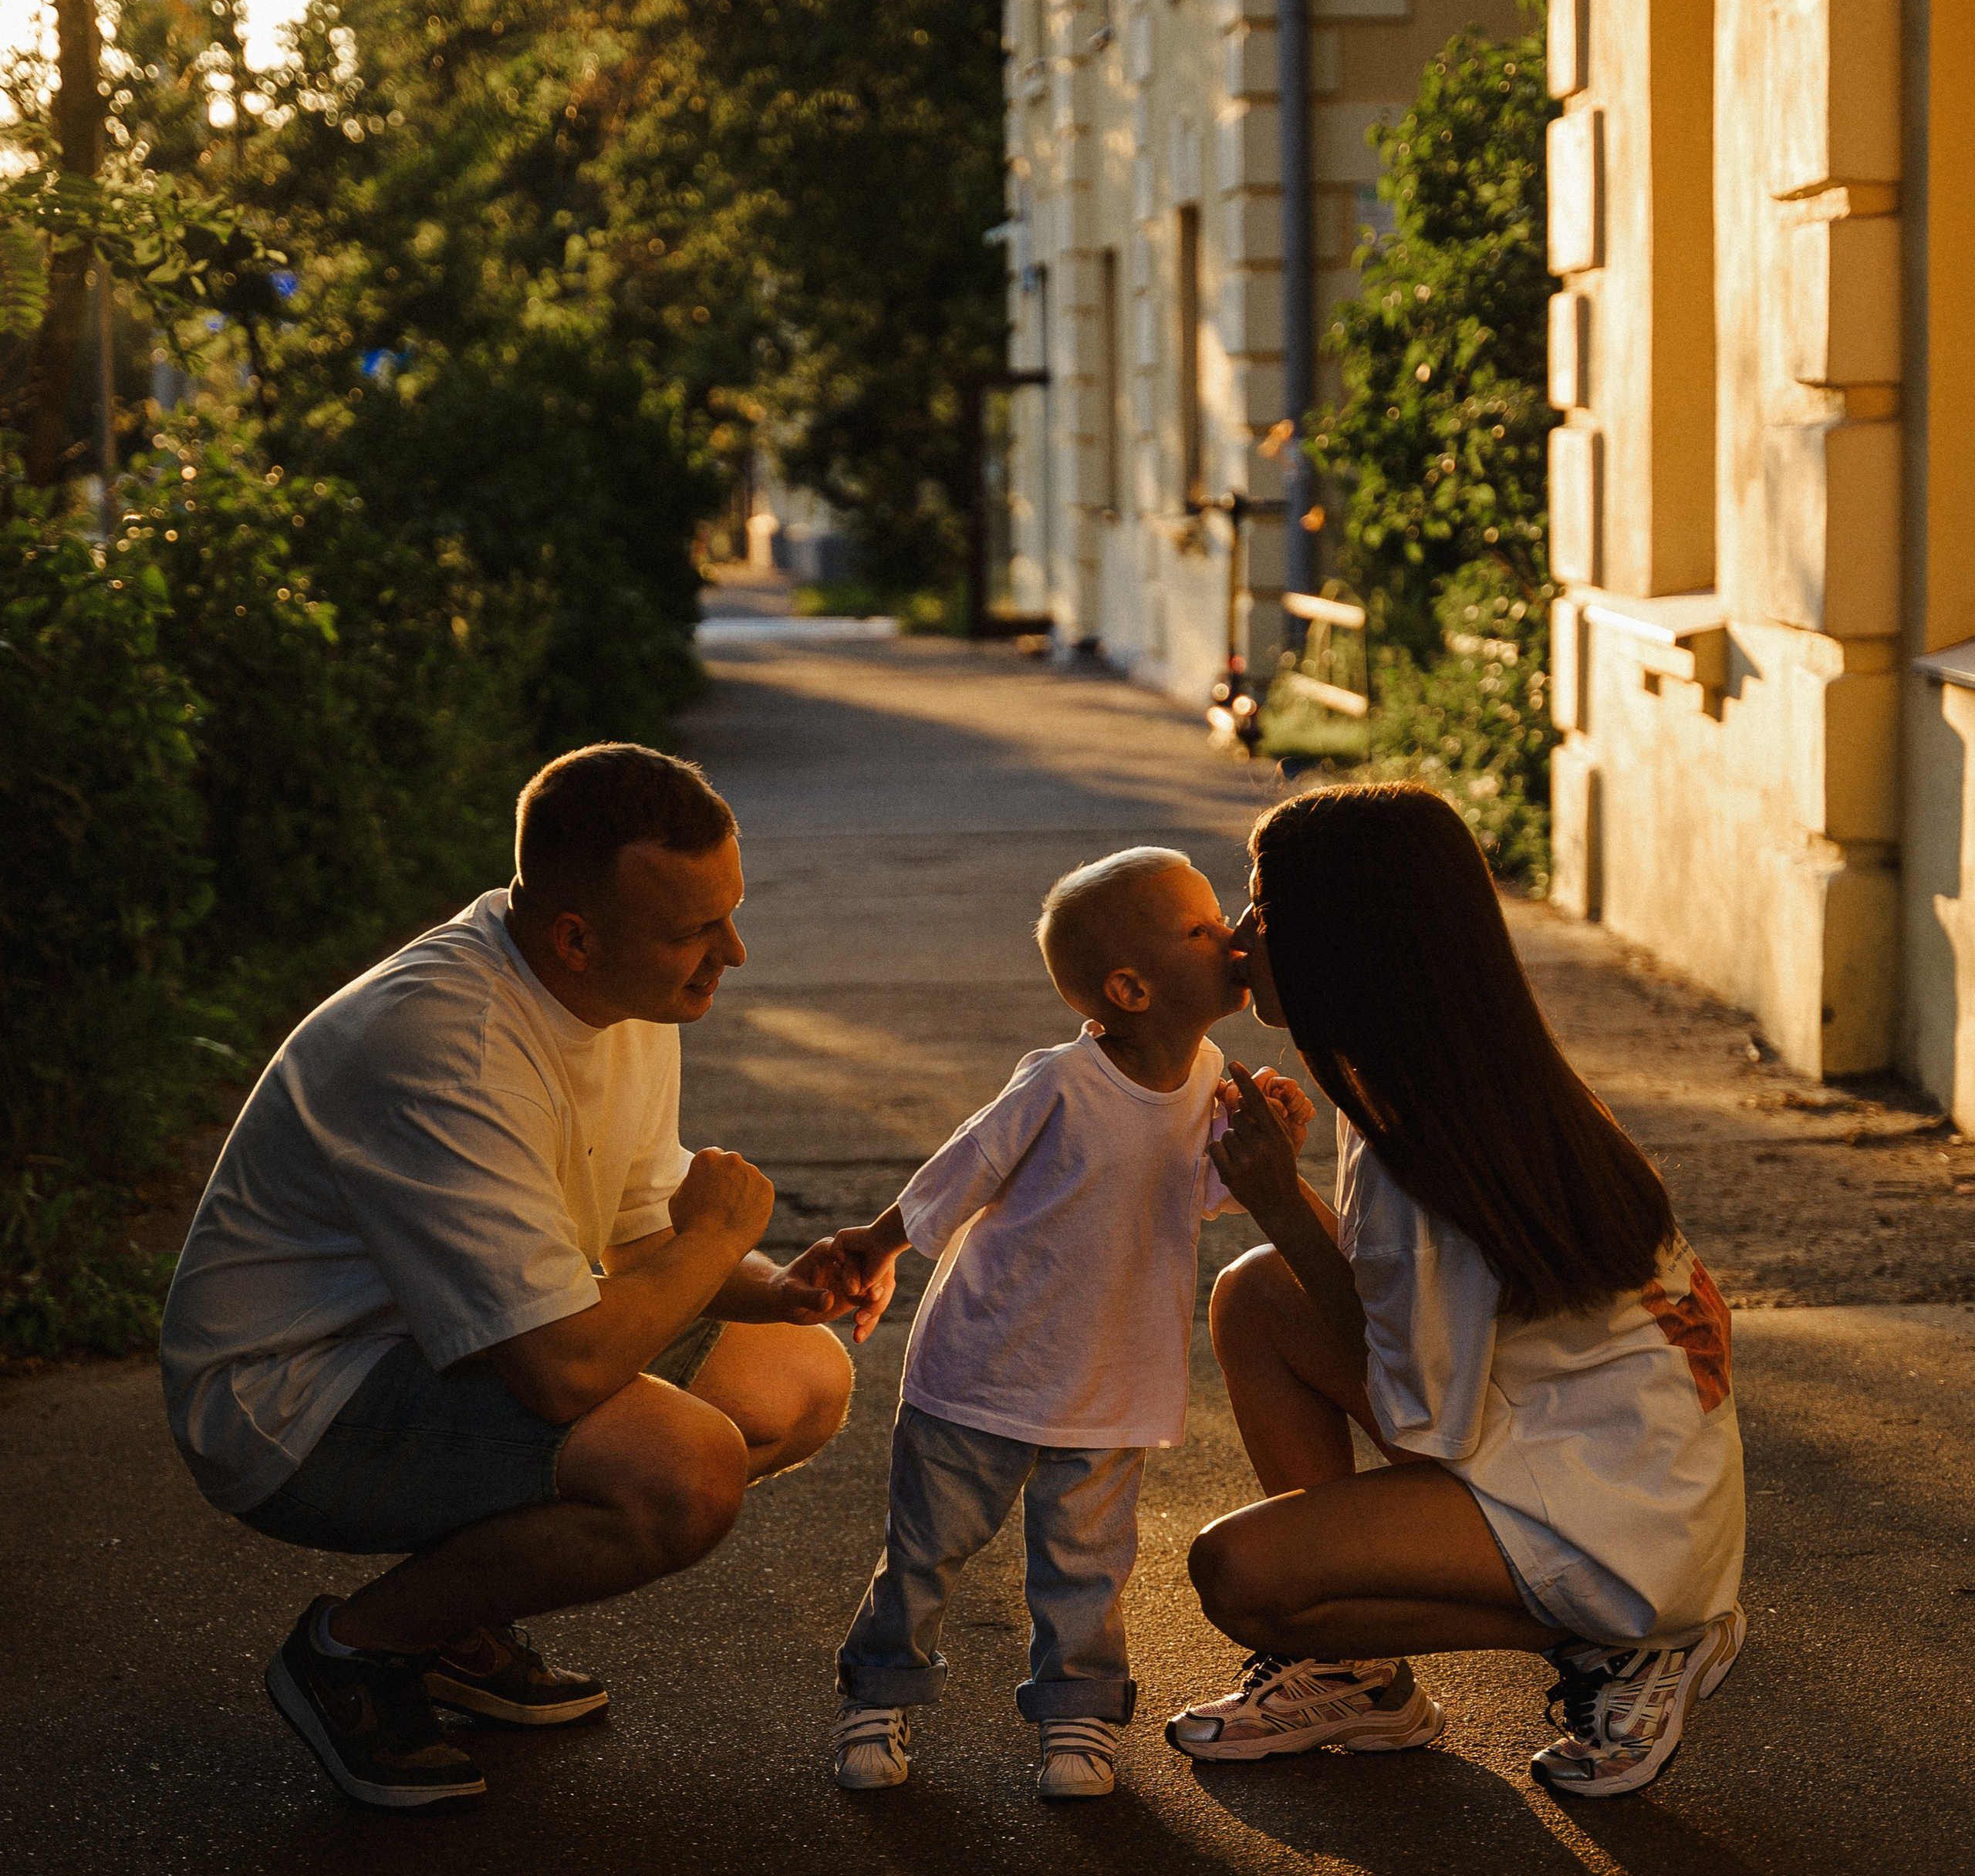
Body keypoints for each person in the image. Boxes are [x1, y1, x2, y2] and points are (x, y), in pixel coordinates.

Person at [160, 742, 858, 1812]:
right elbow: (563, 1370)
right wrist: (717, 1237)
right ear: (576, 937)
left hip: (447, 1347)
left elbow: (641, 1239)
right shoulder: (452, 1042)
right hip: (293, 1400)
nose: (733, 951)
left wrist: (781, 1285)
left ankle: (453, 1622)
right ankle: (352, 1652)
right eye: (695, 929)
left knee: (798, 1372)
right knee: (683, 1472)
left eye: (730, 912)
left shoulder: (614, 990)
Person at [1166, 783, 1745, 1800]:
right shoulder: (1455, 1079)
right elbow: (1402, 1330)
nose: (1241, 933)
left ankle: (1628, 1641)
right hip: (1615, 1461)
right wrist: (1286, 1204)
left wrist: (1280, 1202)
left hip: (1613, 1518)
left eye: (1266, 907)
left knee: (1241, 1574)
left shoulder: (1420, 1150)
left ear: (1350, 939)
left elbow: (1420, 1426)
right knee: (1257, 1295)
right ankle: (1355, 1677)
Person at [817, 848, 1312, 1801]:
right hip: (984, 1367)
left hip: (1109, 1378)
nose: (1229, 937)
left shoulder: (1211, 1075)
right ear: (1131, 989)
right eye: (1201, 926)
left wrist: (1267, 1152)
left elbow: (1192, 1194)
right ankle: (877, 1695)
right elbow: (964, 1165)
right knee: (924, 1552)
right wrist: (877, 1244)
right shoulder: (1059, 1081)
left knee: (1086, 1568)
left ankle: (1077, 1718)